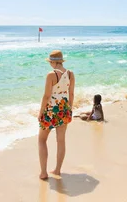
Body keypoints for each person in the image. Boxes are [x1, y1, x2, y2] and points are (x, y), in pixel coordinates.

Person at [38, 50, 75, 180]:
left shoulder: (51, 74)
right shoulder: (70, 74)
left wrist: (41, 112)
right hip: (63, 109)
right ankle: (58, 170)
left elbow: (47, 96)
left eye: (50, 62)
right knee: (61, 141)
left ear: (53, 62)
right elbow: (71, 94)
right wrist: (69, 109)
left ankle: (43, 173)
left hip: (50, 110)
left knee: (42, 139)